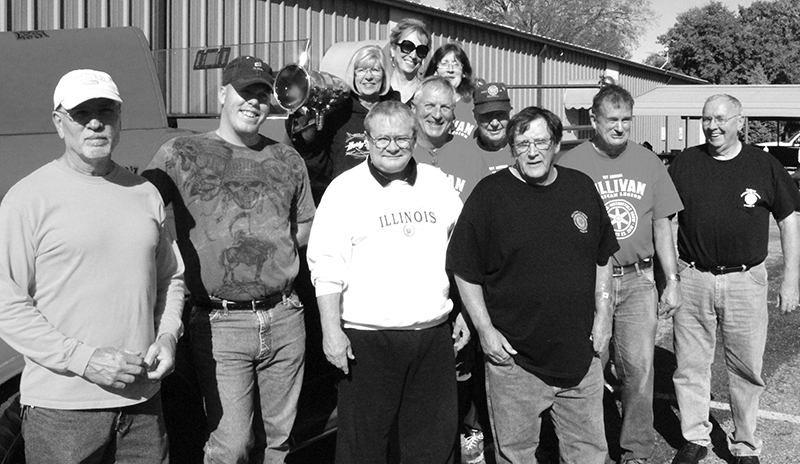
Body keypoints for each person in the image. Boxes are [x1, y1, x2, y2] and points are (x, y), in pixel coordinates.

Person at [0, 69, 185, 463]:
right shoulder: (26, 200)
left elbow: (171, 278)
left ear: (120, 119)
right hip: (61, 413)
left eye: (106, 111)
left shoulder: (144, 193)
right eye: (82, 113)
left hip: (143, 405)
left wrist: (167, 336)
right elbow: (7, 305)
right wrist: (84, 360)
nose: (96, 123)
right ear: (59, 122)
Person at [143, 55, 315, 463]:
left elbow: (305, 224)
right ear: (223, 93)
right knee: (231, 444)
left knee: (279, 442)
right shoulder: (180, 153)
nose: (254, 102)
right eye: (245, 92)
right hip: (219, 324)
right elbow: (138, 213)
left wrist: (271, 249)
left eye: (262, 94)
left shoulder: (288, 159)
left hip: (285, 317)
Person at [447, 106, 619, 464]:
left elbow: (603, 258)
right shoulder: (489, 196)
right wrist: (485, 331)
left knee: (589, 455)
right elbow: (464, 269)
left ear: (556, 144)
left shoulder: (581, 188)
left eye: (541, 141)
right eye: (523, 143)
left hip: (579, 357)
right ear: (512, 147)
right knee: (517, 457)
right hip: (514, 362)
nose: (533, 151)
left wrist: (604, 316)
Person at [307, 100, 468, 464]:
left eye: (401, 138)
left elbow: (461, 249)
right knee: (364, 449)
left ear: (414, 138)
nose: (392, 146)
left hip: (431, 337)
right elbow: (326, 266)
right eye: (382, 139)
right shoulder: (344, 190)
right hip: (367, 341)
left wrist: (462, 311)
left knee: (433, 447)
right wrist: (331, 331)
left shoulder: (435, 182)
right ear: (367, 139)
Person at [667, 94, 800, 464]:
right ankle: (695, 438)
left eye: (721, 119)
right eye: (707, 119)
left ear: (740, 121)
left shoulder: (764, 164)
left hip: (746, 281)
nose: (713, 126)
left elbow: (790, 219)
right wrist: (669, 274)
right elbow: (663, 217)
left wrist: (791, 279)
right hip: (694, 276)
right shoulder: (685, 163)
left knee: (746, 367)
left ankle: (744, 444)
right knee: (690, 365)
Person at [558, 84, 684, 464]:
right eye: (611, 120)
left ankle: (636, 449)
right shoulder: (572, 163)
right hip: (588, 280)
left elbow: (663, 226)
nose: (619, 127)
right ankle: (589, 448)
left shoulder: (649, 163)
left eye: (626, 120)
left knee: (639, 370)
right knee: (588, 367)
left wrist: (672, 281)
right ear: (594, 121)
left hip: (637, 279)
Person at [288, 44, 401, 204]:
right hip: (347, 200)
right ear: (353, 75)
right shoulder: (339, 112)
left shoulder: (396, 110)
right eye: (361, 70)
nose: (368, 76)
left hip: (389, 200)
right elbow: (320, 163)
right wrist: (307, 137)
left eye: (375, 70)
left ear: (384, 75)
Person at [412, 76, 490, 201]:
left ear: (454, 112)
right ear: (413, 107)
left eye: (445, 107)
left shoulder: (469, 154)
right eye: (429, 105)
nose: (437, 115)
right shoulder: (401, 152)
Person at [424, 42, 476, 125]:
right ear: (435, 71)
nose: (450, 70)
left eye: (456, 64)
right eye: (444, 64)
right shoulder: (425, 104)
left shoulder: (473, 105)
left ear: (463, 73)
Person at [472, 82, 513, 173]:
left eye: (500, 114)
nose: (495, 123)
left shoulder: (522, 151)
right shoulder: (464, 154)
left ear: (510, 113)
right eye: (487, 115)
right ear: (475, 115)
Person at [387, 18, 431, 103]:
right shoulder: (379, 91)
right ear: (393, 49)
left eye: (421, 50)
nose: (413, 56)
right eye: (407, 47)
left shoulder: (427, 94)